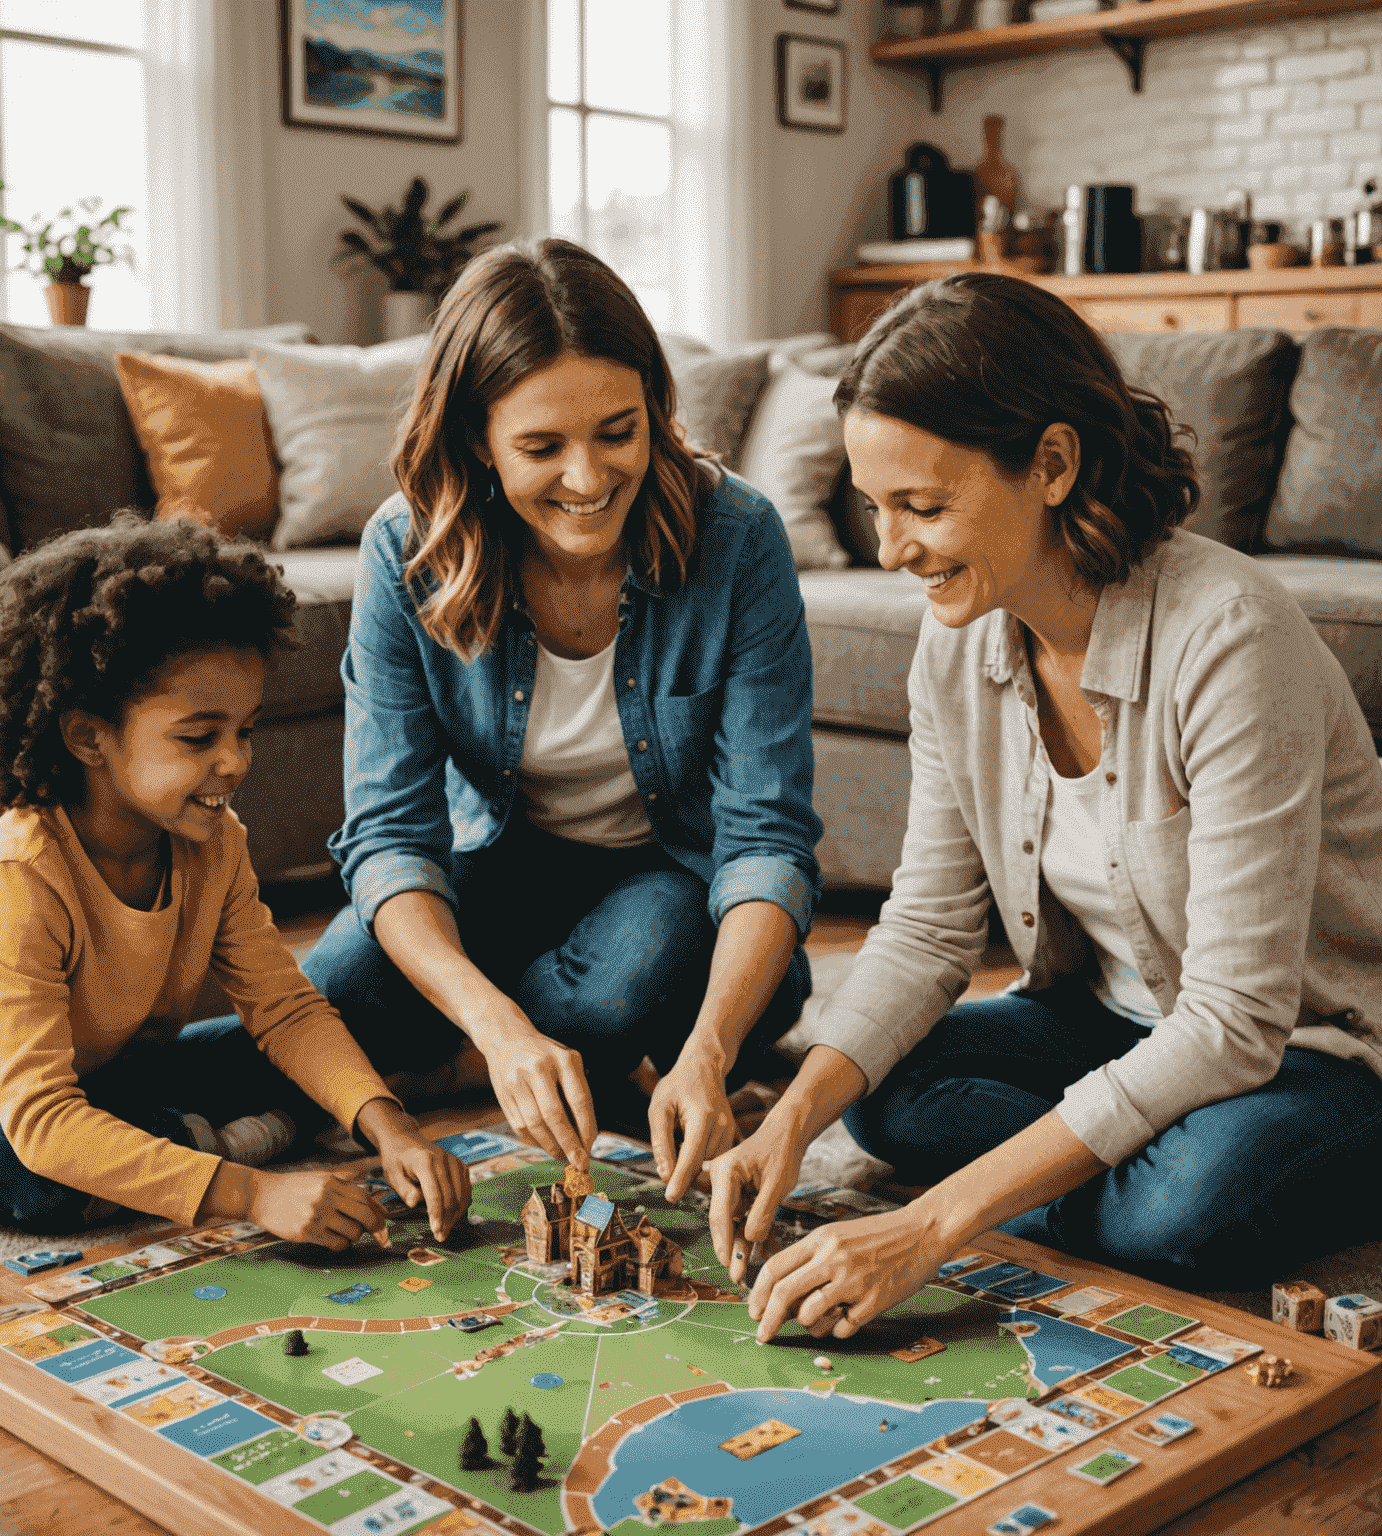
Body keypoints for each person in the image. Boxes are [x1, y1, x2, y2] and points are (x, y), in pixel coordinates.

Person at [707, 272, 1382, 1341]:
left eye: (924, 508)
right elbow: (928, 930)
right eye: (876, 509)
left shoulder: (1231, 641)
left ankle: (1137, 1178)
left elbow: (1232, 1022)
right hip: (1108, 1020)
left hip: (1313, 1049)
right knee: (879, 1087)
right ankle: (1106, 1171)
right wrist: (789, 1125)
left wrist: (931, 1225)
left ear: (1054, 465)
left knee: (1181, 1207)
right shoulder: (956, 643)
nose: (892, 551)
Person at [302, 237, 822, 1200]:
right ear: (477, 440)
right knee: (333, 987)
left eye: (617, 433)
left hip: (673, 883)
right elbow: (389, 837)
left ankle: (455, 1062)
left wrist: (707, 1052)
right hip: (496, 868)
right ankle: (504, 1057)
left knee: (628, 978)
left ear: (655, 412)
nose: (588, 479)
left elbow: (767, 836)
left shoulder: (738, 537)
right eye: (542, 448)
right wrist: (498, 1028)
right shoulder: (402, 551)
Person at [0, 515, 470, 1247]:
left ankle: (180, 1142)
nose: (235, 761)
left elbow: (285, 1009)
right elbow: (41, 1120)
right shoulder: (18, 880)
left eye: (246, 730)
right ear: (88, 736)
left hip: (104, 1078)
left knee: (293, 1046)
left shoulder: (213, 840)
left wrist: (389, 1126)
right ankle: (216, 1147)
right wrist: (249, 1193)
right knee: (33, 1163)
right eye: (199, 737)